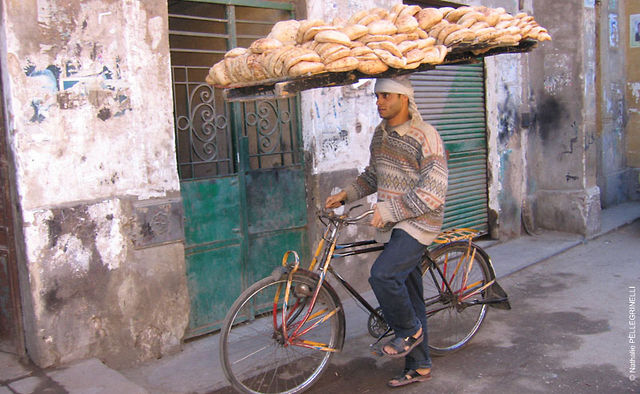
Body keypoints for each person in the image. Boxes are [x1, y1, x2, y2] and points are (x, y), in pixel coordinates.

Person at [325, 75, 448, 387]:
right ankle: (420, 365)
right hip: (392, 222)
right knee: (410, 291)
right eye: (377, 96)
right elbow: (372, 176)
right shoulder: (380, 135)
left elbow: (434, 192)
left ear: (404, 99)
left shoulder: (426, 135)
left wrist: (391, 210)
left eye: (387, 96)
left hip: (420, 222)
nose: (379, 102)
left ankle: (409, 331)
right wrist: (347, 194)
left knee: (383, 275)